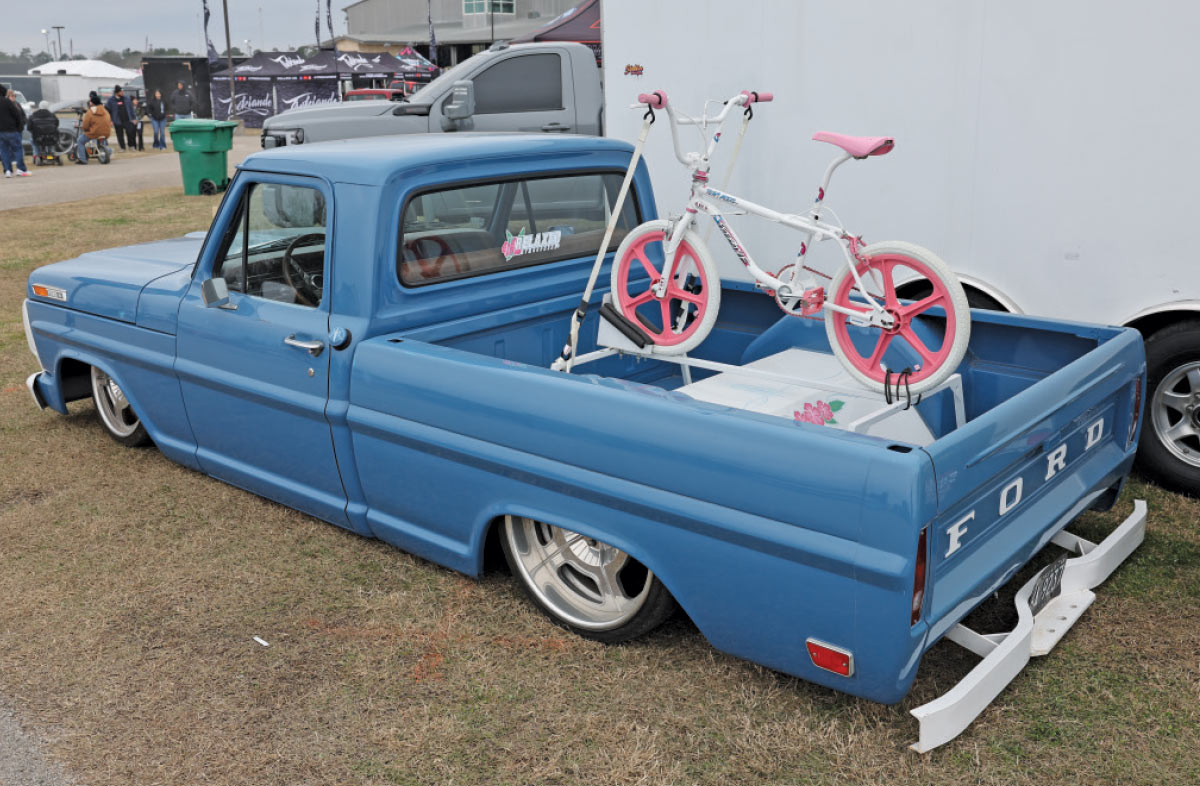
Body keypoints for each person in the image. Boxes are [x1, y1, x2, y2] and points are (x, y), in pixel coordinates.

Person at [0, 84, 31, 177]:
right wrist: (18, 127)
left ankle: (7, 171)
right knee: (18, 149)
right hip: (11, 130)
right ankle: (20, 169)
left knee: (4, 151)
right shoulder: (7, 101)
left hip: (0, 132)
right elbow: (17, 114)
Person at [76, 92, 113, 165]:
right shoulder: (105, 111)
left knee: (80, 141)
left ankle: (83, 160)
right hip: (106, 132)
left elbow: (85, 125)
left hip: (94, 133)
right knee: (102, 144)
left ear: (92, 103)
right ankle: (109, 151)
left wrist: (86, 130)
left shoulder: (90, 112)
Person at [105, 85, 135, 151]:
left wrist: (134, 118)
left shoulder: (127, 99)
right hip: (117, 121)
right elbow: (107, 111)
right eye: (121, 91)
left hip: (127, 119)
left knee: (130, 133)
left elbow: (131, 109)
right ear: (117, 93)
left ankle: (131, 146)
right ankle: (122, 148)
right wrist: (110, 120)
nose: (122, 93)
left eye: (122, 91)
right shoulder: (111, 100)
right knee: (120, 135)